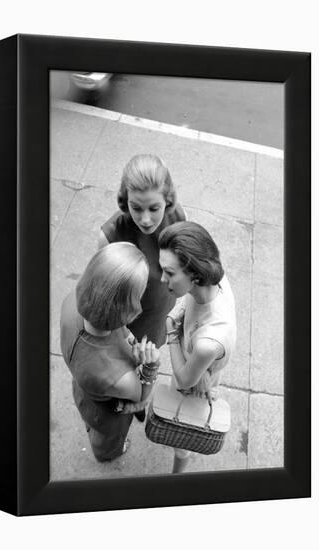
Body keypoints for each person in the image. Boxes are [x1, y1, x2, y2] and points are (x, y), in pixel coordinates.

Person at [60, 242, 160, 463]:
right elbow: (140, 395)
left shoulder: (71, 302)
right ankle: (109, 453)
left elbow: (114, 325)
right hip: (106, 413)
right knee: (107, 439)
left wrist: (126, 337)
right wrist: (151, 367)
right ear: (128, 308)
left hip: (83, 388)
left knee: (90, 419)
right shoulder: (118, 377)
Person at [158, 221, 236, 473]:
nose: (162, 278)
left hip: (195, 377)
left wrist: (171, 332)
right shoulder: (216, 279)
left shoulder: (207, 342)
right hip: (201, 368)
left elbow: (183, 379)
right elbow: (187, 301)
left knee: (183, 435)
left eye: (169, 273)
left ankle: (176, 480)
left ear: (195, 275)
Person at [98, 154, 187, 348]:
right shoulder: (110, 237)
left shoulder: (179, 217)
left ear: (168, 200)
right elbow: (105, 300)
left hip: (161, 316)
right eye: (136, 208)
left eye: (154, 208)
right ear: (125, 200)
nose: (145, 219)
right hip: (126, 331)